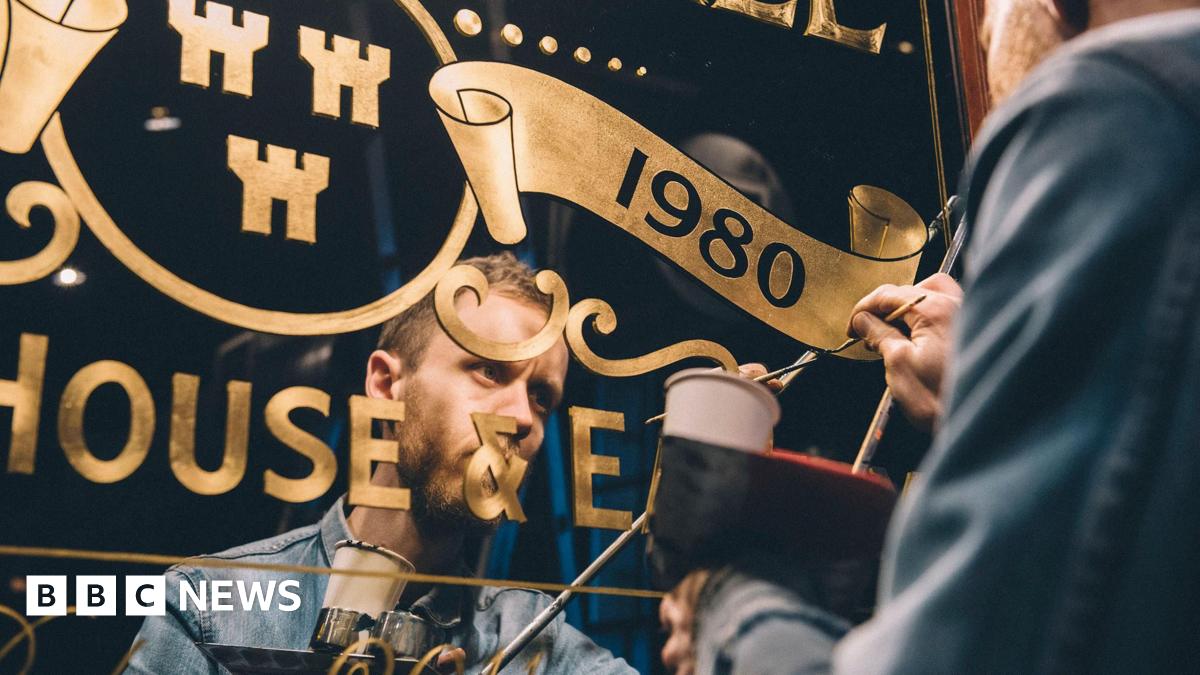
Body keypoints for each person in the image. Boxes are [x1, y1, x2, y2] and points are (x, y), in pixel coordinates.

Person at [662, 0, 1200, 672]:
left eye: (986, 22)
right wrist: (992, 386)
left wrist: (727, 600)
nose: (980, 43)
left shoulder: (1113, 112)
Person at [127, 252, 636, 674]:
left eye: (542, 397)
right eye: (488, 370)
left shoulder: (539, 645)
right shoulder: (211, 607)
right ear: (387, 384)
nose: (523, 417)